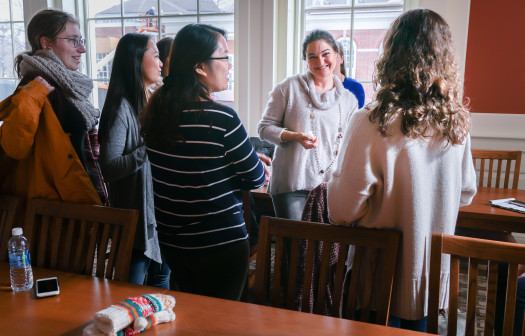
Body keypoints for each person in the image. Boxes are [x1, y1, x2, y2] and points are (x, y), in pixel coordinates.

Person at [326, 9, 477, 332]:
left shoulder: (371, 120)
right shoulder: (456, 121)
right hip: (430, 273)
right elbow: (465, 192)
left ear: (391, 54)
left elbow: (340, 210)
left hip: (377, 275)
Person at [140, 24, 267, 300]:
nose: (229, 65)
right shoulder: (222, 118)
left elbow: (186, 170)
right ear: (200, 66)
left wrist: (224, 167)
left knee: (192, 315)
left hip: (173, 242)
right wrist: (238, 166)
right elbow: (256, 178)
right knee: (222, 323)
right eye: (224, 57)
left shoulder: (156, 113)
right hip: (220, 243)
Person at [0, 9, 101, 210]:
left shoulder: (68, 86)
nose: (82, 49)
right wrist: (33, 93)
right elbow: (14, 147)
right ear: (46, 43)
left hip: (69, 200)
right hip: (50, 207)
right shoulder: (36, 85)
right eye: (73, 40)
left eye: (81, 41)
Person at [257, 29, 358, 220]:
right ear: (306, 61)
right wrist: (294, 136)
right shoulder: (288, 88)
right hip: (291, 185)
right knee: (294, 247)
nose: (320, 62)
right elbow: (264, 128)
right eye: (312, 57)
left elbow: (350, 145)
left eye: (325, 54)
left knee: (324, 249)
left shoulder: (349, 101)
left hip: (330, 187)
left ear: (337, 55)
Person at [98, 33, 170, 289]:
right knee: (131, 284)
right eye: (156, 55)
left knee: (162, 276)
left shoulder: (152, 100)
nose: (161, 63)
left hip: (160, 209)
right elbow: (109, 167)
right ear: (137, 60)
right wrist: (149, 146)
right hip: (136, 216)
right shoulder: (121, 108)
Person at [335, 41, 365, 109]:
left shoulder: (356, 87)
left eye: (335, 57)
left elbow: (358, 117)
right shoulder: (316, 87)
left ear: (341, 59)